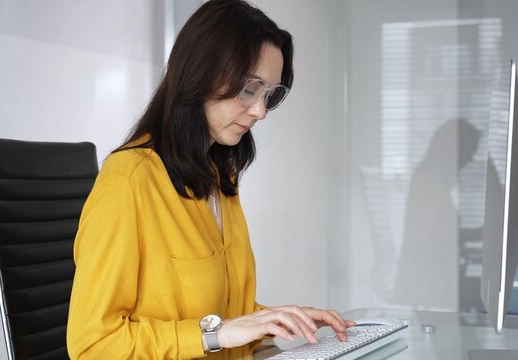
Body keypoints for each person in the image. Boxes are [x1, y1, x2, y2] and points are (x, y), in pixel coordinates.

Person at [67, 1, 355, 358]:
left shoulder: (220, 176)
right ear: (201, 72)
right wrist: (217, 334)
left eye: (270, 95)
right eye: (250, 89)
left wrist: (277, 320)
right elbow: (92, 346)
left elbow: (224, 314)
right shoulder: (128, 181)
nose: (260, 111)